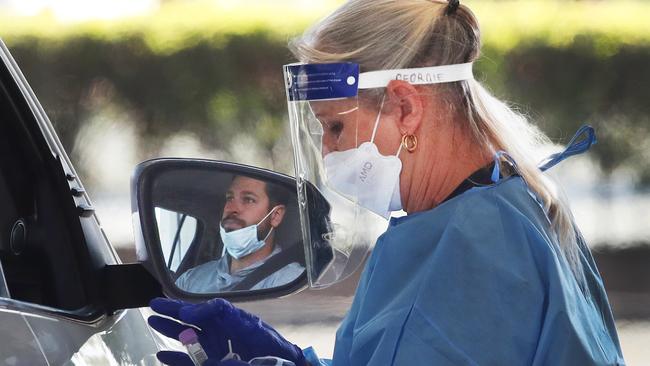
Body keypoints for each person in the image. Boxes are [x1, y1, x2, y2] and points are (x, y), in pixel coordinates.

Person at [148, 1, 625, 365]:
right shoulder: (498, 208)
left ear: (405, 107)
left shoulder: (474, 245)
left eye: (334, 127)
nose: (328, 154)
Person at [175, 175, 304, 292]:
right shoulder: (190, 280)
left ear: (275, 216)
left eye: (248, 199)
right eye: (230, 198)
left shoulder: (294, 283)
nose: (231, 208)